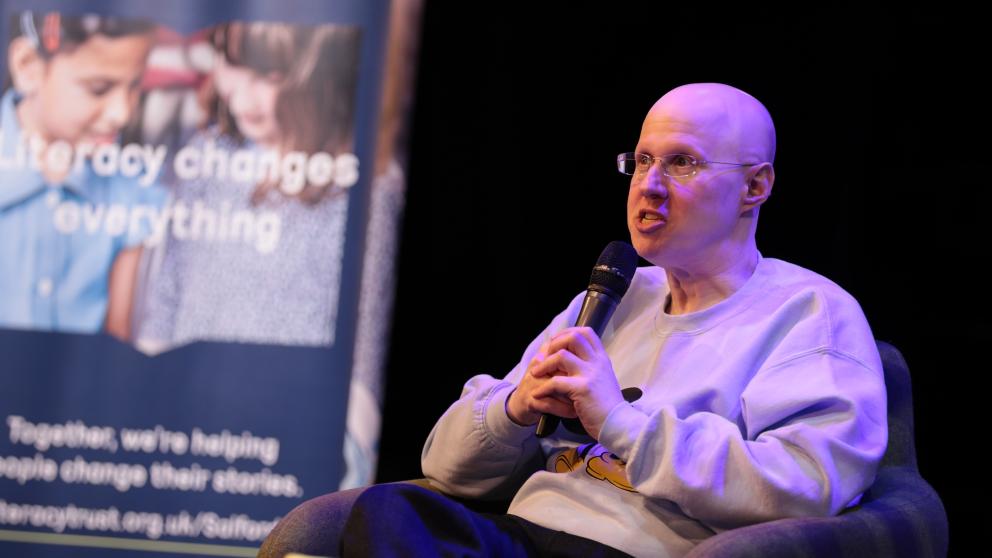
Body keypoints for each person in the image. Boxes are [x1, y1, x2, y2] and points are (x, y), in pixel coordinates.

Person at [260, 83, 888, 558]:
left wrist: (620, 422)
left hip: (627, 550)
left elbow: (805, 485)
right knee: (392, 509)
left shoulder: (810, 314)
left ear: (756, 186)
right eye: (641, 161)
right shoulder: (618, 295)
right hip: (523, 535)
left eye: (683, 163)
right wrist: (514, 410)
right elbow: (448, 468)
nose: (651, 186)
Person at [132, 21, 361, 352]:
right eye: (229, 63)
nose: (240, 99)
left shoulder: (359, 187)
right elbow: (168, 295)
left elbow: (363, 354)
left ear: (316, 72)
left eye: (267, 78)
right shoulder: (206, 153)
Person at [0, 12, 164, 338]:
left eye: (134, 86)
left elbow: (118, 337)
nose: (123, 113)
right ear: (28, 65)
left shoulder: (133, 190)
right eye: (99, 88)